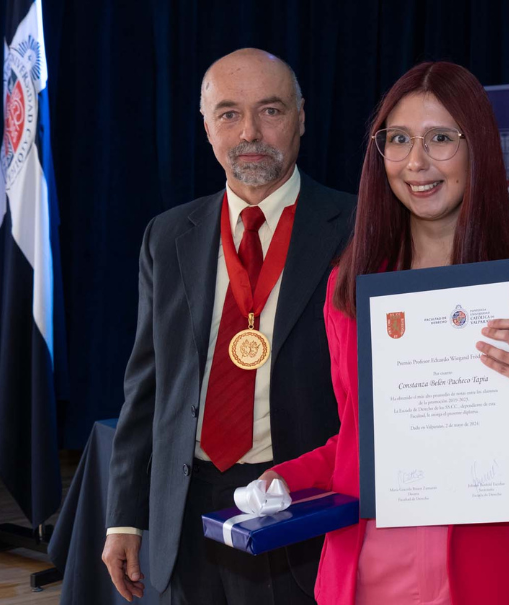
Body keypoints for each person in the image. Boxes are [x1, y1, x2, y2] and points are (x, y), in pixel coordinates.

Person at [262, 62, 509, 605]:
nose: (416, 162)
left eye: (440, 138)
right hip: (374, 563)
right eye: (398, 139)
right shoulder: (349, 287)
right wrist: (282, 478)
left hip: (497, 564)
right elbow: (356, 441)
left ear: (478, 147)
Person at [101, 49, 355, 605]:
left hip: (300, 504)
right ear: (207, 127)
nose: (250, 133)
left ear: (302, 118)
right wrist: (124, 517)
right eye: (229, 114)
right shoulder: (168, 235)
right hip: (185, 509)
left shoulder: (360, 230)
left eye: (270, 110)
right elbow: (147, 389)